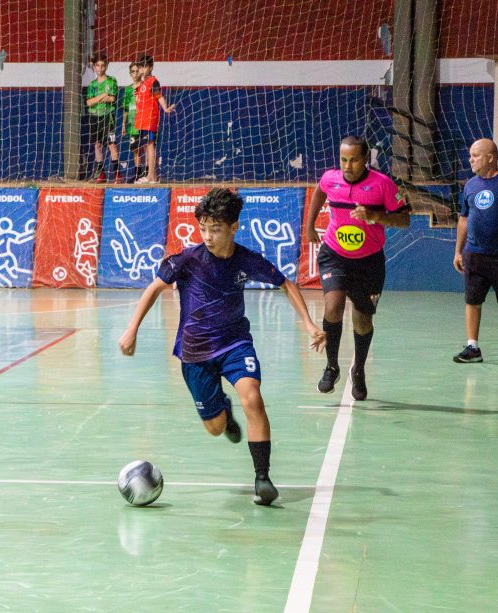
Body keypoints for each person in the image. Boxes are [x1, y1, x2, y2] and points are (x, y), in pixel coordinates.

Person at [119, 188, 325, 506]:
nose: (208, 236)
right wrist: (132, 330)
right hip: (195, 352)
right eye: (203, 228)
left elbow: (285, 283)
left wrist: (309, 324)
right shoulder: (187, 260)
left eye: (215, 228)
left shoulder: (246, 260)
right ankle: (225, 415)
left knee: (253, 397)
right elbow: (154, 289)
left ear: (233, 227)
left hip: (235, 343)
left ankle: (262, 478)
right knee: (215, 428)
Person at [305, 136, 410, 399]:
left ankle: (359, 370)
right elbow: (320, 190)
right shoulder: (331, 178)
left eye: (353, 160)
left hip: (368, 262)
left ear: (365, 160)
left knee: (363, 321)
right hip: (335, 254)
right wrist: (309, 225)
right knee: (333, 306)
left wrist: (375, 216)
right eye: (343, 159)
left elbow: (404, 219)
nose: (348, 165)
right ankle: (331, 367)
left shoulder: (382, 184)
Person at [453, 138, 498, 363]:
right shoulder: (470, 185)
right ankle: (473, 348)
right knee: (472, 301)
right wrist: (458, 251)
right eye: (470, 155)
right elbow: (463, 219)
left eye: (476, 155)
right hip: (475, 254)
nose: (470, 159)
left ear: (491, 157)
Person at [133, 54, 175, 184]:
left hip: (150, 119)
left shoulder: (153, 81)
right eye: (140, 67)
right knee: (147, 147)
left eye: (145, 67)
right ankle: (151, 175)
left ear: (150, 67)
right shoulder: (142, 84)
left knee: (151, 147)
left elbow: (159, 96)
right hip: (142, 120)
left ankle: (151, 176)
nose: (142, 69)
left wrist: (166, 108)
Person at [85, 52, 122, 184]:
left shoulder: (111, 81)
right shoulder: (92, 85)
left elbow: (112, 98)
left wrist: (98, 99)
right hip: (95, 117)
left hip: (108, 117)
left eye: (102, 66)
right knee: (98, 145)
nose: (100, 68)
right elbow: (89, 103)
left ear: (106, 66)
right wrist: (102, 96)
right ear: (94, 67)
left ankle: (117, 173)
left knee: (112, 145)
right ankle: (101, 173)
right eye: (97, 66)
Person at [121, 61, 144, 182]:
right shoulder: (128, 90)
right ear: (130, 73)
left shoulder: (144, 86)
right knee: (135, 149)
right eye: (133, 71)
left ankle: (148, 172)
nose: (135, 74)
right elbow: (125, 108)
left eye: (137, 71)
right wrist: (124, 124)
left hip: (144, 121)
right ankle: (137, 174)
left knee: (146, 147)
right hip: (132, 123)